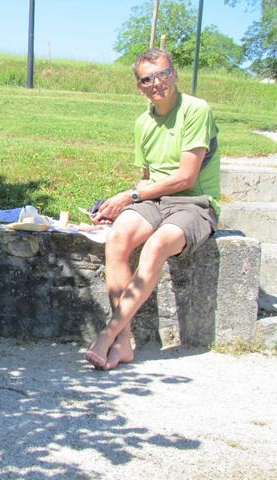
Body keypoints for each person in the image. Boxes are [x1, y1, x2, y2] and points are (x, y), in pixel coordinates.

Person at [84, 48, 221, 370]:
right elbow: (148, 180)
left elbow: (186, 177)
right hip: (155, 200)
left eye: (163, 74)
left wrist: (130, 196)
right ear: (139, 86)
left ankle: (107, 335)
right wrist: (118, 206)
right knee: (117, 237)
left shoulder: (195, 110)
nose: (157, 82)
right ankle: (124, 343)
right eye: (148, 78)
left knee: (157, 244)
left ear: (174, 74)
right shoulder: (143, 123)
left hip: (195, 203)